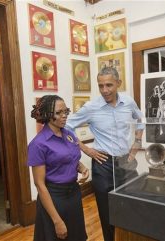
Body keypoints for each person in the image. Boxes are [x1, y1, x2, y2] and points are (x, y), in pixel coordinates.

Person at [66, 67, 143, 241]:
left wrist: (137, 143)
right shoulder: (91, 107)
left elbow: (141, 120)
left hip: (127, 162)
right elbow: (66, 127)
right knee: (107, 213)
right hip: (103, 165)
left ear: (118, 83)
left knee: (133, 207)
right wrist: (86, 149)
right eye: (101, 86)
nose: (105, 90)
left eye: (109, 85)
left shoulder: (129, 102)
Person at [27, 95, 89, 241]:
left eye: (66, 111)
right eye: (59, 113)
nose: (64, 116)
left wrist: (82, 168)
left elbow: (69, 159)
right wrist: (57, 221)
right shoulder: (38, 144)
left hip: (73, 194)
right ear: (48, 115)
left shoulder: (69, 134)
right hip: (54, 199)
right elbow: (40, 185)